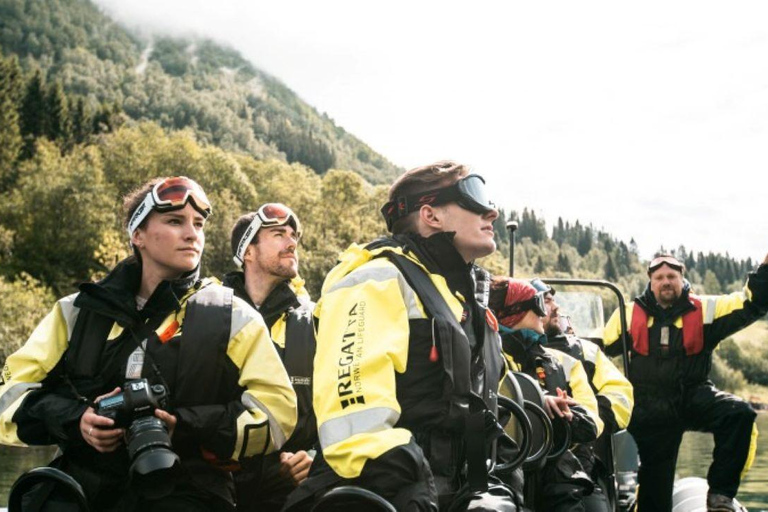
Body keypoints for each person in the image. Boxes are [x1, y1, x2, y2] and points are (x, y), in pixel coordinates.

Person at [0, 176, 297, 512]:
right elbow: (8, 395)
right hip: (80, 490)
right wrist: (77, 419)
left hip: (187, 492)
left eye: (198, 224)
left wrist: (182, 425)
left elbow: (278, 412)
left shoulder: (234, 317)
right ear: (137, 235)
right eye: (174, 221)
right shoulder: (76, 312)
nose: (191, 234)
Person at [284, 160, 525, 511]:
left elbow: (486, 411)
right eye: (474, 192)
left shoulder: (460, 296)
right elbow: (357, 427)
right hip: (388, 495)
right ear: (431, 215)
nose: (493, 210)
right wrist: (417, 494)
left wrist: (499, 486)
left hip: (462, 494)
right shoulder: (374, 279)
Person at [604, 253, 768, 512]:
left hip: (694, 395)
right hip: (650, 410)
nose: (666, 282)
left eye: (672, 276)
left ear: (682, 278)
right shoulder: (627, 313)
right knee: (654, 500)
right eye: (659, 277)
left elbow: (752, 304)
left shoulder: (707, 309)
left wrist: (765, 268)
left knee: (739, 414)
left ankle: (720, 497)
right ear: (650, 281)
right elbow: (598, 350)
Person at [223, 203, 317, 511]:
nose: (292, 242)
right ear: (247, 252)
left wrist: (315, 457)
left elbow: (339, 406)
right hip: (215, 489)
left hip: (290, 495)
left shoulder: (316, 321)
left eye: (293, 236)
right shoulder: (208, 315)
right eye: (279, 234)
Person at [489, 278, 603, 512]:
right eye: (539, 304)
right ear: (515, 313)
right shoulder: (490, 355)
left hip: (559, 474)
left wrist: (569, 415)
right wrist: (541, 403)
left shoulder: (554, 362)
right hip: (505, 471)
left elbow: (590, 426)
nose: (547, 312)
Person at [533, 278, 633, 512]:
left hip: (580, 458)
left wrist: (583, 419)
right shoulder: (506, 347)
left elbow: (621, 394)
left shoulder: (585, 351)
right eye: (547, 302)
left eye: (554, 301)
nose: (556, 307)